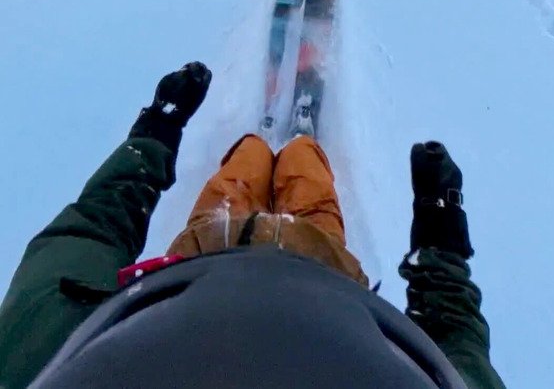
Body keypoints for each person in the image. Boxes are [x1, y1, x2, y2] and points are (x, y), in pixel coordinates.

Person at [0, 62, 505, 389]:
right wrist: (442, 242)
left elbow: (89, 231)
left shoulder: (33, 367)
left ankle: (261, 141)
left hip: (209, 243)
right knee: (307, 166)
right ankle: (298, 138)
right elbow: (457, 341)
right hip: (320, 257)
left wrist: (154, 132)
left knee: (247, 159)